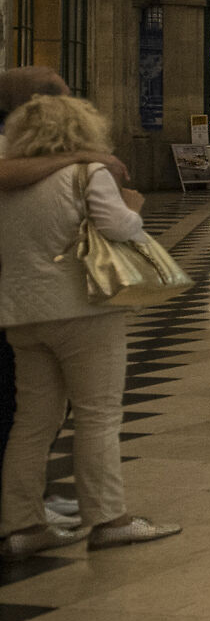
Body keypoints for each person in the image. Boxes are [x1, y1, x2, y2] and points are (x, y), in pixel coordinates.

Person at [0, 94, 179, 556]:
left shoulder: (8, 182)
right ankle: (109, 518)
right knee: (98, 415)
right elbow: (120, 229)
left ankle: (22, 525)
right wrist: (133, 205)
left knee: (32, 421)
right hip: (83, 311)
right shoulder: (86, 173)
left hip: (22, 312)